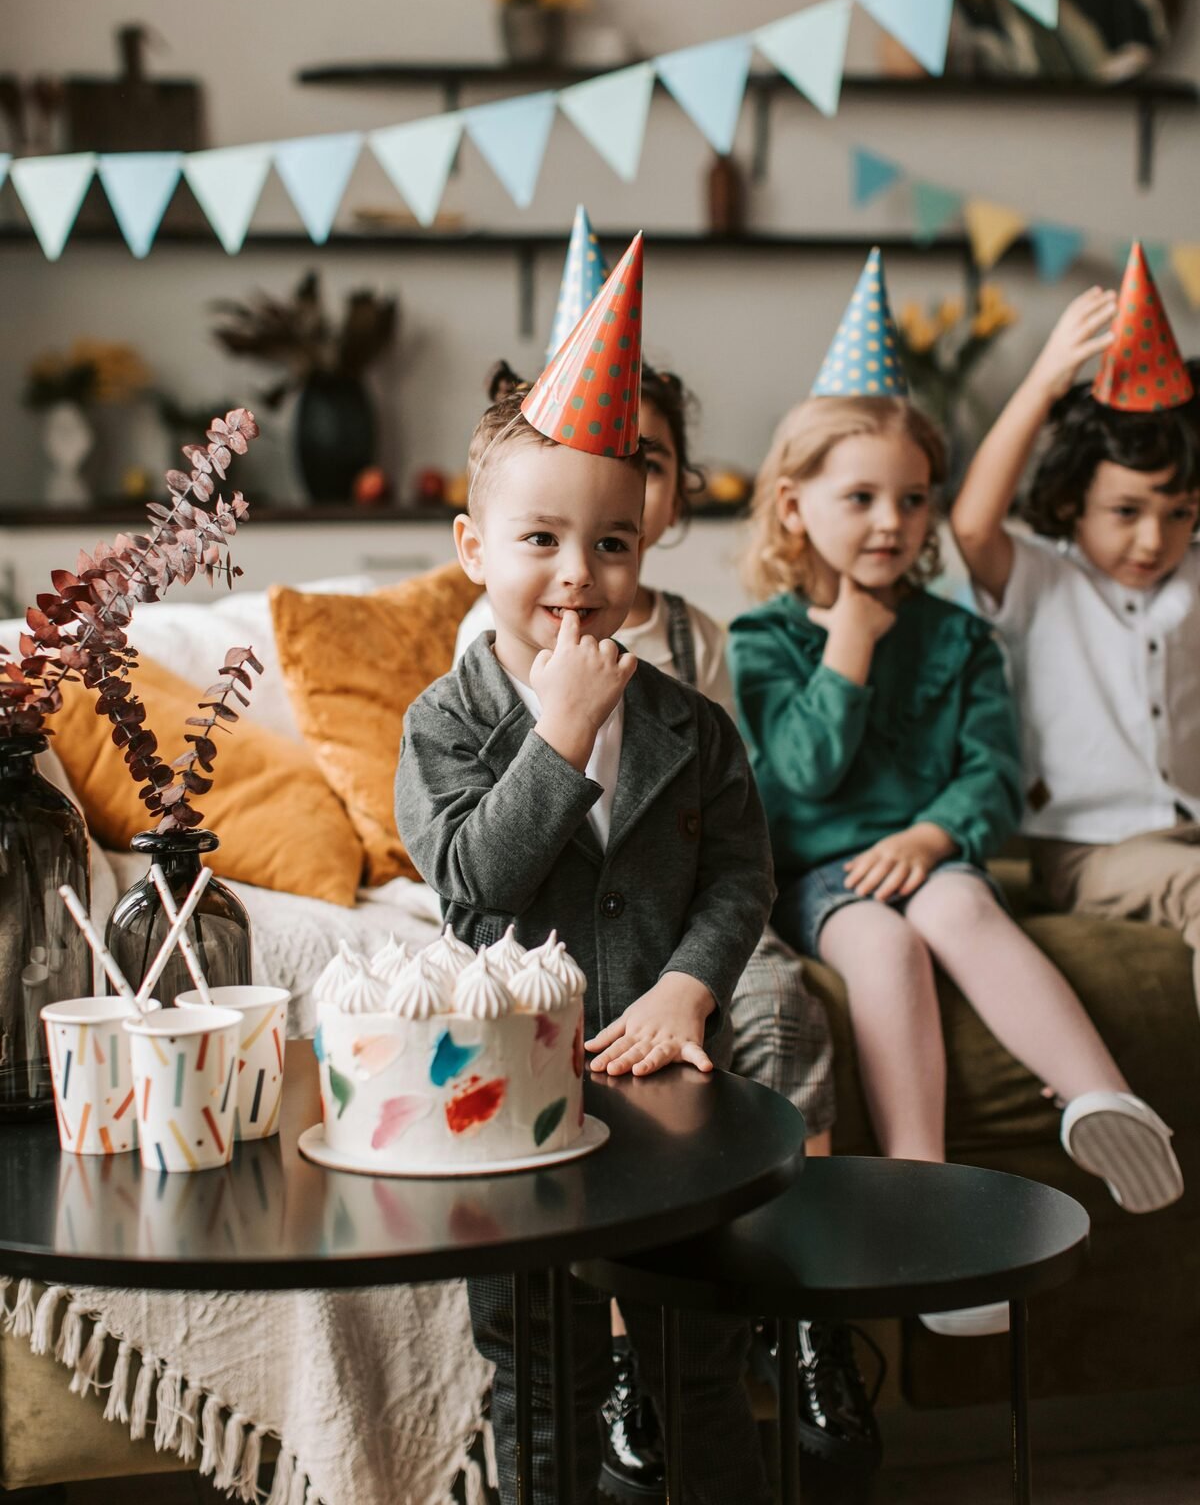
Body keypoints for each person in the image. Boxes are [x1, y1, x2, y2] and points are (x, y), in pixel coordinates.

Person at [729, 251, 1183, 1340]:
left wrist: (937, 834)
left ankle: (1101, 1099)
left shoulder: (960, 635)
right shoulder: (764, 640)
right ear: (793, 507)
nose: (892, 522)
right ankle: (925, 1212)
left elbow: (993, 773)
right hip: (823, 877)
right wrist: (847, 647)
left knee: (963, 907)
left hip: (937, 856)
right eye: (860, 499)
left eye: (912, 497)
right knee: (885, 948)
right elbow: (797, 780)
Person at [395, 236, 776, 1505]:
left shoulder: (691, 727)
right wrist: (555, 737)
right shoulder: (445, 723)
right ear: (472, 546)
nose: (579, 573)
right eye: (542, 539)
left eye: (612, 542)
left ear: (646, 548)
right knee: (541, 1365)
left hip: (668, 1086)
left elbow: (741, 875)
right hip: (508, 1094)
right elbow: (472, 887)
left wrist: (689, 987)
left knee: (698, 1351)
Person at [951, 243, 1200, 1017]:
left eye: (1180, 514)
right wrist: (1045, 381)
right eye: (1126, 512)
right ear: (1071, 502)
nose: (1154, 540)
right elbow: (971, 523)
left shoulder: (1191, 578)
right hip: (1090, 853)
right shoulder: (1039, 580)